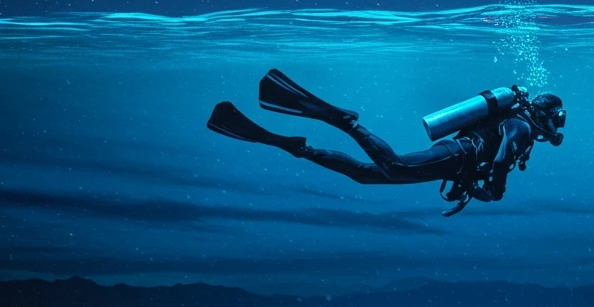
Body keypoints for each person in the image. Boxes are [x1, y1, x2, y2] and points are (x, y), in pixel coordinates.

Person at [207, 70, 566, 215]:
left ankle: (299, 148)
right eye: (558, 118)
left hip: (457, 159)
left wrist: (476, 183)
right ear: (546, 114)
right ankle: (345, 122)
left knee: (366, 174)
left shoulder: (514, 119)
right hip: (455, 156)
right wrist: (497, 191)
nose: (557, 126)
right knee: (393, 165)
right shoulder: (519, 125)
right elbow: (501, 159)